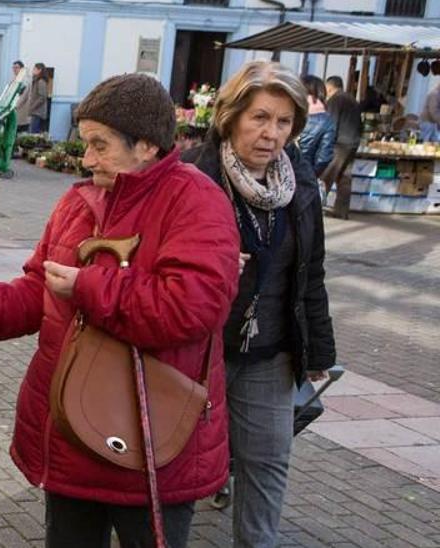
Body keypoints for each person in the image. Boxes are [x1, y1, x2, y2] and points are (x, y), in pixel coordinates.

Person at [0, 73, 239, 548]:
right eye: (85, 144)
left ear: (146, 145)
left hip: (152, 440)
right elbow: (36, 294)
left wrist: (90, 285)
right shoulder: (77, 201)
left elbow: (192, 306)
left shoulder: (195, 200)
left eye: (99, 145)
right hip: (72, 435)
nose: (86, 159)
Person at [181, 61, 336, 548]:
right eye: (260, 118)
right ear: (231, 117)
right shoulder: (193, 176)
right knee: (183, 460)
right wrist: (209, 262)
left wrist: (320, 354)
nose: (271, 134)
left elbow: (310, 272)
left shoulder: (301, 185)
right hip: (199, 350)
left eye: (284, 122)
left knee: (269, 459)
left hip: (271, 349)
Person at [323, 76, 362, 219]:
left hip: (340, 143)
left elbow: (332, 123)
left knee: (327, 175)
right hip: (353, 143)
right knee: (344, 177)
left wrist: (326, 143)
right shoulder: (353, 100)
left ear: (330, 87)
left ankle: (314, 206)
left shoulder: (335, 100)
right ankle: (341, 210)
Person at [0, 61, 28, 177]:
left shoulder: (23, 82)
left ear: (21, 69)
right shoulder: (14, 81)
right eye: (13, 67)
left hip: (14, 112)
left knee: (9, 139)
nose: (14, 69)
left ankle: (5, 164)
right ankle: (0, 163)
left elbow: (20, 98)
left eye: (17, 67)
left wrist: (14, 108)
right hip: (7, 112)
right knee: (2, 138)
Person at [297, 75, 335, 175]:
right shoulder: (327, 121)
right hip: (304, 174)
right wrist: (310, 176)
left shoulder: (290, 110)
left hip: (279, 172)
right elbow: (323, 158)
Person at [17, 62, 50, 134]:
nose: (33, 70)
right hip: (34, 112)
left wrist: (32, 107)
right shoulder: (36, 81)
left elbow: (42, 97)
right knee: (32, 132)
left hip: (37, 112)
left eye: (34, 69)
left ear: (39, 70)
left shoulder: (41, 81)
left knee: (33, 133)